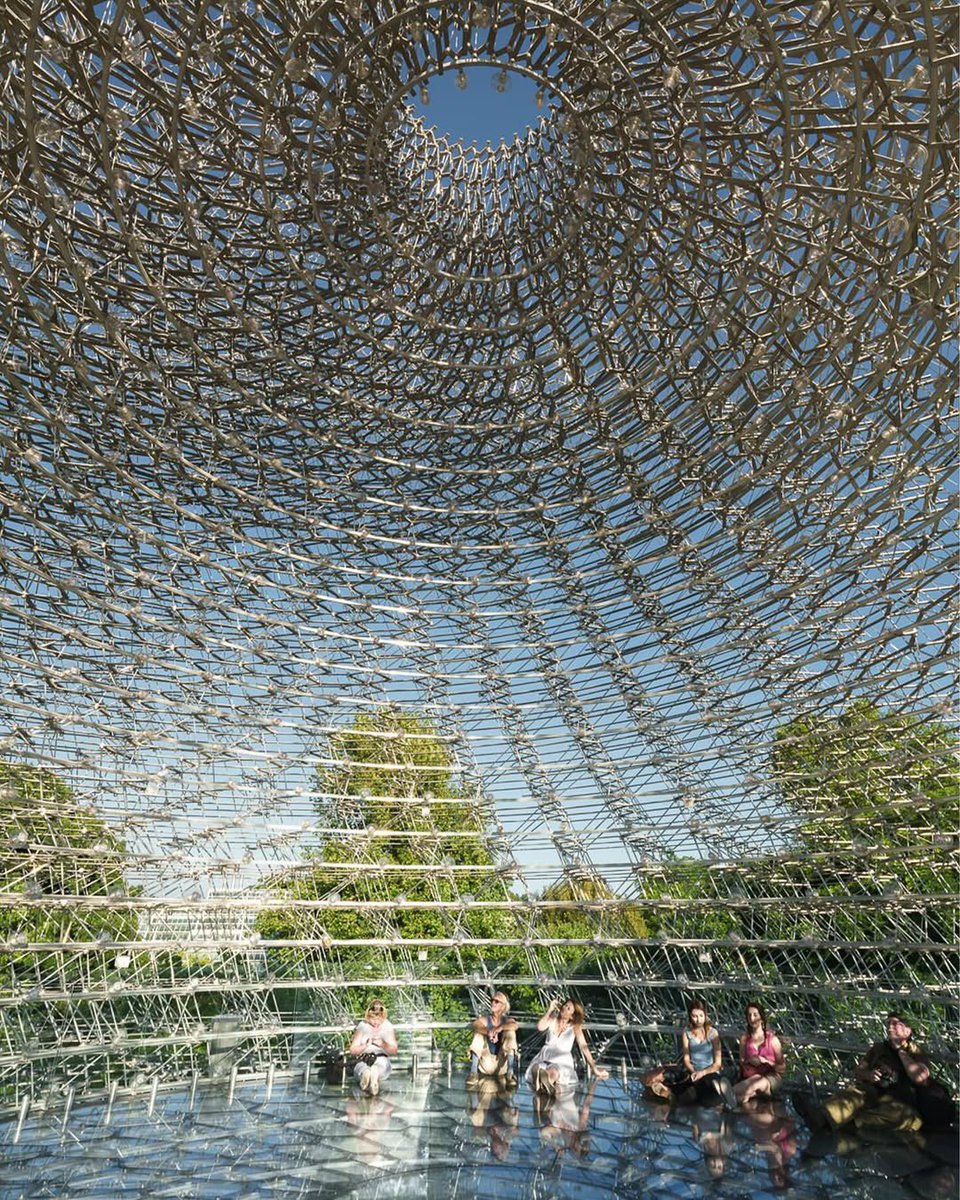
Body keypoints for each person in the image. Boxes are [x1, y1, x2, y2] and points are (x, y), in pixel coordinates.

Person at [794, 1012, 958, 1137]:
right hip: (872, 1089)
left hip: (900, 1098)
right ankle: (822, 1117)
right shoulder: (878, 1049)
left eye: (895, 1023)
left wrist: (900, 1051)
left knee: (904, 1118)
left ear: (908, 1031)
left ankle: (836, 1123)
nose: (890, 1026)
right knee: (854, 1095)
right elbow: (859, 1070)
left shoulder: (915, 1051)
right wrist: (869, 1074)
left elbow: (920, 1077)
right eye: (888, 1024)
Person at [641, 998, 734, 1106]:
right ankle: (715, 1093)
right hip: (693, 1071)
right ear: (690, 1016)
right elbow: (686, 1059)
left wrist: (702, 1073)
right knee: (679, 1078)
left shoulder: (713, 1033)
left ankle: (717, 1091)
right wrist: (694, 1072)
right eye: (694, 1016)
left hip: (709, 1071)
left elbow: (717, 1064)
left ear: (705, 1015)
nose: (698, 1020)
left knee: (706, 1082)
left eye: (700, 1016)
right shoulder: (687, 1033)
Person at [525, 997, 609, 1098]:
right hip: (545, 1056)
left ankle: (542, 1083)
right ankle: (544, 1084)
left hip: (561, 1059)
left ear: (572, 1016)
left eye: (568, 1008)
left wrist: (594, 1069)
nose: (564, 1008)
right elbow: (540, 1027)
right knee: (539, 1068)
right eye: (565, 1005)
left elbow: (584, 1047)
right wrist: (550, 1010)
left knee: (554, 1071)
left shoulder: (574, 1027)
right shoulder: (552, 1019)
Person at [733, 1001, 787, 1106]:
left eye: (755, 1015)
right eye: (749, 1015)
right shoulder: (744, 1039)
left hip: (771, 1078)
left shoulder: (773, 1040)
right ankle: (741, 1097)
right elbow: (742, 1061)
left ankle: (729, 1092)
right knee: (745, 1094)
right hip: (751, 1077)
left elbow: (783, 1068)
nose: (752, 1018)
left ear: (761, 1017)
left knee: (757, 1079)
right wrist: (750, 1061)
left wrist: (766, 1062)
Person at [467, 991, 519, 1087]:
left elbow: (514, 1025)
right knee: (478, 1033)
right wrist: (488, 1032)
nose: (493, 1003)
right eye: (492, 1000)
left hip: (501, 1065)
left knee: (510, 1032)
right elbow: (476, 1024)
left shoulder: (507, 1021)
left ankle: (510, 1073)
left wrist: (500, 1028)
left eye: (497, 1001)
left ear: (503, 1007)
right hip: (486, 1063)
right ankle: (473, 1073)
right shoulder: (486, 1019)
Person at [348, 998, 398, 1096]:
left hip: (381, 1057)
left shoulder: (387, 1026)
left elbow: (394, 1050)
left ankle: (374, 1074)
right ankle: (366, 1074)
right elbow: (353, 1050)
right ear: (368, 1017)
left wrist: (382, 1044)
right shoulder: (363, 1026)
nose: (376, 1022)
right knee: (361, 1068)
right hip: (364, 1057)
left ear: (383, 1017)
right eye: (373, 1019)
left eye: (379, 1019)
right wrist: (365, 1046)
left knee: (381, 1066)